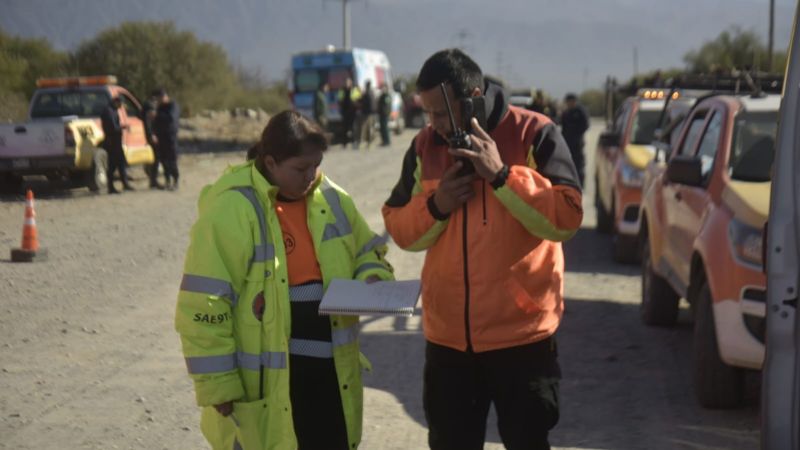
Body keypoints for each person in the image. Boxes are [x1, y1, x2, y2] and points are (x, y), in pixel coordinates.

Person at [382, 49, 583, 450]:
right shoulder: (425, 147)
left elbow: (567, 219)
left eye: (440, 113)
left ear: (473, 97)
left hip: (523, 340)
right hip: (449, 343)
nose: (433, 125)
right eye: (427, 114)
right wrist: (437, 206)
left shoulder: (534, 133)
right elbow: (399, 227)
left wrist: (504, 177)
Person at [175, 110, 394, 450]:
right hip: (271, 384)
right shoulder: (233, 207)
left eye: (316, 165)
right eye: (300, 168)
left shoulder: (333, 198)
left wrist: (373, 277)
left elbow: (366, 252)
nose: (311, 177)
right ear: (271, 162)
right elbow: (203, 302)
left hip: (331, 379)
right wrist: (218, 383)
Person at [100, 96, 133, 194]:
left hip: (117, 142)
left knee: (121, 163)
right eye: (120, 104)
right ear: (116, 102)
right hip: (112, 142)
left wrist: (122, 126)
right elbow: (112, 127)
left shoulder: (113, 110)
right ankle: (111, 187)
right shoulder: (108, 111)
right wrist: (123, 127)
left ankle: (125, 184)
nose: (121, 106)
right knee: (112, 165)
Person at [559, 93, 590, 187]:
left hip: (577, 143)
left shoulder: (580, 111)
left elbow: (586, 125)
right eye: (567, 102)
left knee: (579, 164)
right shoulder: (566, 113)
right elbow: (563, 127)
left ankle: (580, 183)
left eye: (570, 102)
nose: (569, 104)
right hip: (567, 143)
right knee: (568, 164)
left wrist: (576, 133)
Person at [152, 88, 180, 190]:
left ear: (165, 96)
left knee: (172, 160)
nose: (159, 100)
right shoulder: (160, 108)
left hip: (170, 137)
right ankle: (167, 180)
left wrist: (158, 115)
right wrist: (154, 134)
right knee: (164, 160)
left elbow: (171, 118)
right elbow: (155, 123)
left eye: (161, 97)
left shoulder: (173, 106)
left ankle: (175, 181)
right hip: (161, 138)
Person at [142, 91, 164, 190]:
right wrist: (151, 135)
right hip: (152, 137)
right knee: (155, 159)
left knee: (155, 159)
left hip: (152, 136)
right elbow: (148, 123)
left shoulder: (150, 106)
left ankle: (153, 180)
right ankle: (153, 181)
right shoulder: (150, 107)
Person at [337, 77, 360, 148]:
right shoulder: (342, 90)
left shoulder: (355, 89)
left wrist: (356, 105)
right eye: (345, 82)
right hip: (345, 112)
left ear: (351, 83)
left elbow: (359, 99)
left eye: (348, 82)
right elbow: (339, 99)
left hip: (353, 112)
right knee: (344, 129)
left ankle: (354, 142)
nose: (346, 84)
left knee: (353, 128)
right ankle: (344, 144)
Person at [355, 80, 375, 150]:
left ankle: (362, 143)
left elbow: (363, 102)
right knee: (369, 128)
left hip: (366, 114)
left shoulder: (367, 93)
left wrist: (358, 101)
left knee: (363, 128)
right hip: (370, 114)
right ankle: (369, 143)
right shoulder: (372, 93)